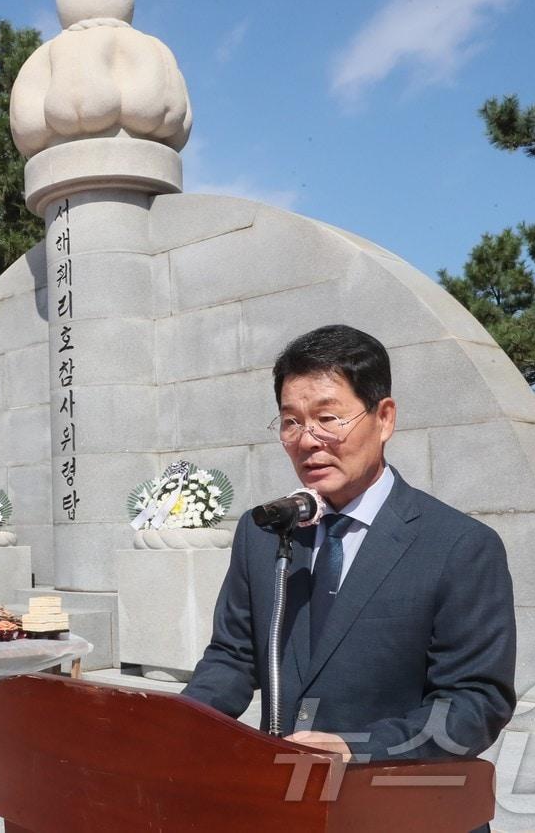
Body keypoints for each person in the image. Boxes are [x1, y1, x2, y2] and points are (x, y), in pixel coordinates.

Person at [182, 324, 516, 763]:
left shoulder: (460, 546)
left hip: (396, 800)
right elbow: (233, 658)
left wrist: (357, 748)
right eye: (291, 422)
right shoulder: (263, 532)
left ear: (384, 419)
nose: (306, 440)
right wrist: (176, 726)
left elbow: (476, 703)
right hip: (285, 796)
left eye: (327, 419)